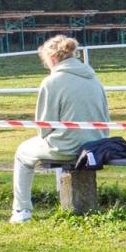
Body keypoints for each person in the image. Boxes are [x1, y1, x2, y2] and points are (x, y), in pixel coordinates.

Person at [9, 35, 109, 223]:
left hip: (67, 146)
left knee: (22, 153)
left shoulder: (52, 82)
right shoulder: (94, 78)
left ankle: (21, 210)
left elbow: (44, 127)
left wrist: (48, 138)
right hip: (97, 144)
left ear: (52, 58)